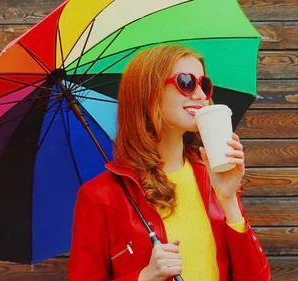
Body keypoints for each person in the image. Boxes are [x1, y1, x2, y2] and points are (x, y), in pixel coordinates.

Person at [68, 44, 270, 281]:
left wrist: (228, 200)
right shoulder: (100, 196)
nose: (201, 95)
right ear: (149, 92)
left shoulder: (213, 178)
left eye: (203, 84)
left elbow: (256, 278)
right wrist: (144, 277)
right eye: (186, 82)